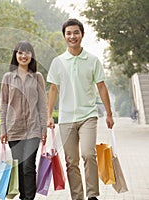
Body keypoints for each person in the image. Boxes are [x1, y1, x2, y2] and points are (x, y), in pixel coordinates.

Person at [46, 18, 114, 200]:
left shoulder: (92, 60)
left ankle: (92, 195)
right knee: (71, 162)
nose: (72, 36)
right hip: (66, 118)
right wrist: (48, 115)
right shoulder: (58, 62)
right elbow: (53, 89)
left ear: (82, 35)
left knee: (88, 154)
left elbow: (101, 87)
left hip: (88, 116)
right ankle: (77, 197)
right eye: (68, 33)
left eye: (76, 32)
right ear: (64, 37)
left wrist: (109, 113)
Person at [0, 41, 48, 200]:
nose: (23, 55)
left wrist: (43, 128)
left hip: (33, 128)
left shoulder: (37, 77)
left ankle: (28, 198)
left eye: (27, 52)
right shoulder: (8, 77)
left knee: (28, 166)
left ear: (32, 56)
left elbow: (42, 104)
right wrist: (3, 130)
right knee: (19, 166)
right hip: (14, 129)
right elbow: (4, 106)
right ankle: (22, 196)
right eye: (20, 52)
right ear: (15, 55)